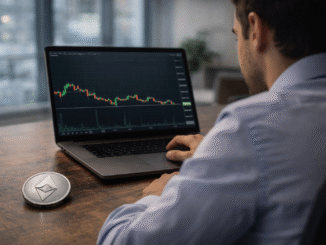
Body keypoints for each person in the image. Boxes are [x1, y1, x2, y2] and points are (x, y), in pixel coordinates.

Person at [97, 0, 326, 243]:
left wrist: (157, 196)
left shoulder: (250, 127)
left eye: (236, 36)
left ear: (256, 30)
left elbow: (120, 241)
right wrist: (221, 155)